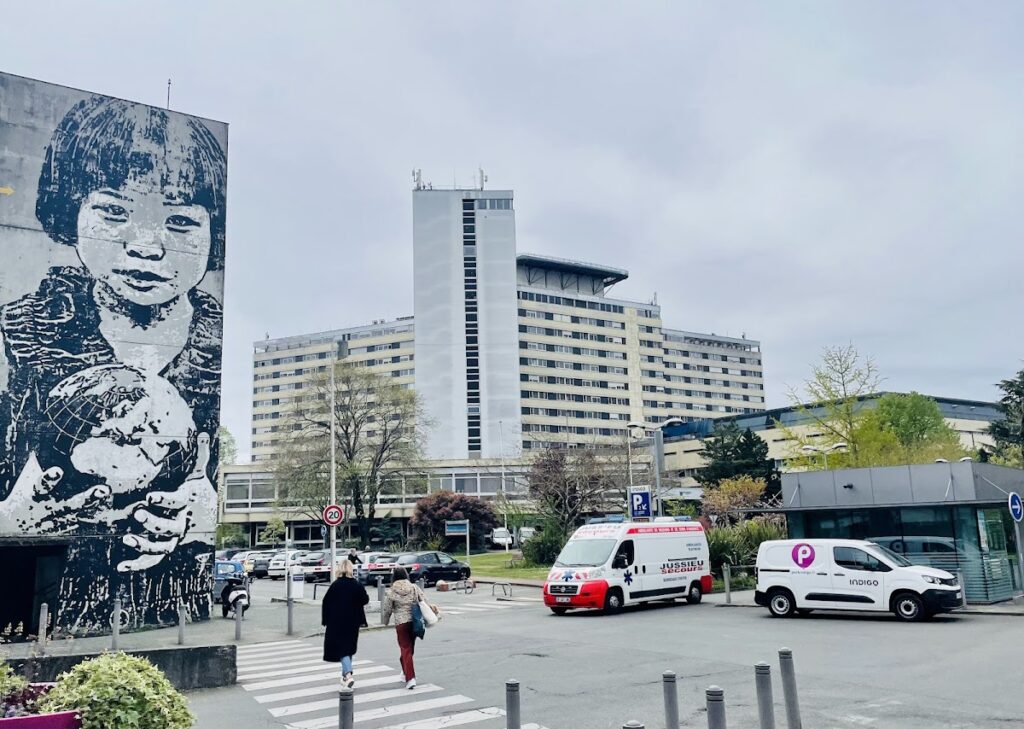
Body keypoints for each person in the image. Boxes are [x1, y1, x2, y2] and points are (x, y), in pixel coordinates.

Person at [0, 95, 227, 633]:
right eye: (114, 211)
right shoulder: (16, 333)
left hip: (173, 611)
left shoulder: (215, 351)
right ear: (69, 210)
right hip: (30, 617)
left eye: (179, 221)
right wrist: (10, 523)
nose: (147, 247)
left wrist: (203, 514)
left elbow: (208, 484)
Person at [321, 560, 369, 689]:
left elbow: (326, 602)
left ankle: (348, 675)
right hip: (353, 622)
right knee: (349, 648)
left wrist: (325, 620)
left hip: (337, 622)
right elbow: (365, 599)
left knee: (342, 649)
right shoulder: (356, 585)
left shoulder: (335, 585)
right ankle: (344, 678)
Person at [382, 566, 427, 690]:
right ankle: (404, 672)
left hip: (401, 623)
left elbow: (387, 609)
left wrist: (385, 622)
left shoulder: (391, 591)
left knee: (405, 649)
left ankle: (410, 678)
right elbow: (423, 600)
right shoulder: (413, 587)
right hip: (414, 621)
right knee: (409, 649)